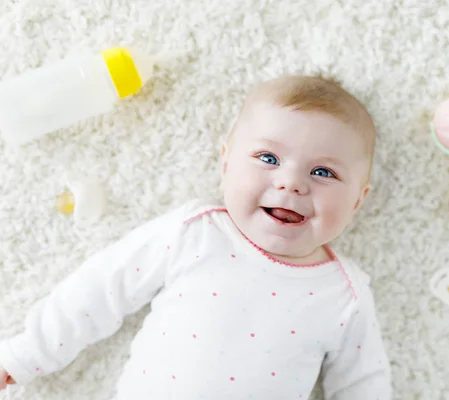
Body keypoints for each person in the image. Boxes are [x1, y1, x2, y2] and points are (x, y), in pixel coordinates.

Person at [0, 75, 392, 399]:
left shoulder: (344, 295)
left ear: (359, 199)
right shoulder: (196, 233)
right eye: (268, 159)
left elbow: (364, 385)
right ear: (225, 162)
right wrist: (24, 355)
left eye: (323, 173)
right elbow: (100, 289)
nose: (291, 183)